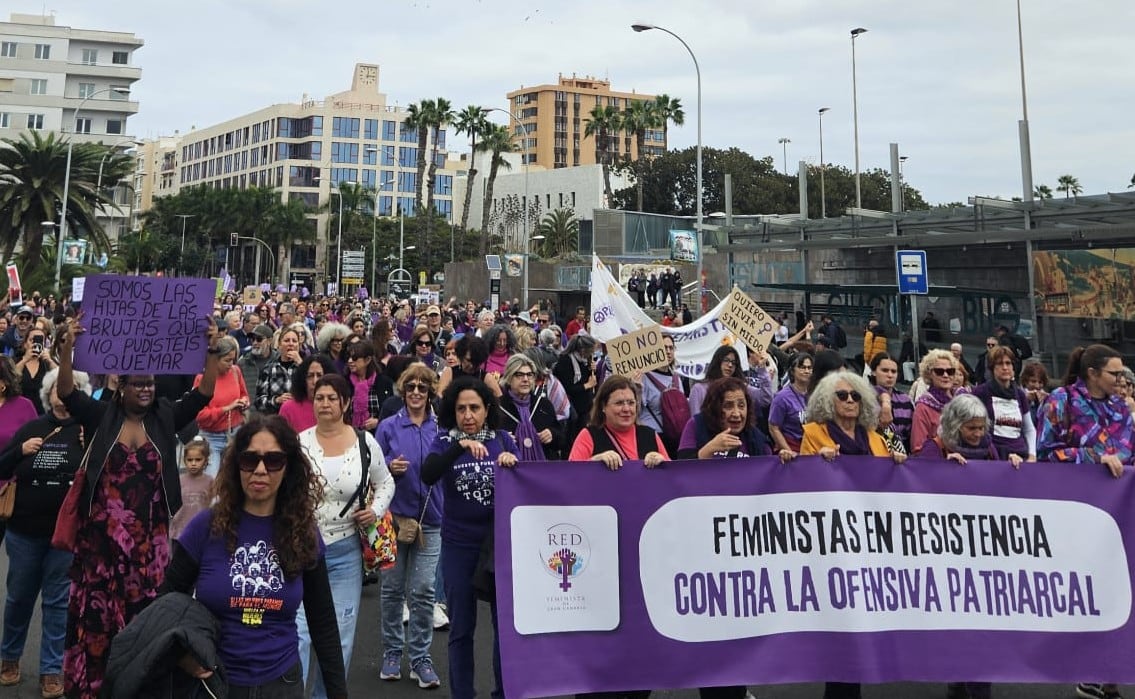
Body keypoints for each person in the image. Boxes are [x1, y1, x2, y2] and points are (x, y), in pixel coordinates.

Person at [55, 316, 219, 699]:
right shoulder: (102, 416)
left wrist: (210, 350)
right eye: (138, 383)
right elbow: (66, 392)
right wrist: (67, 350)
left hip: (148, 546)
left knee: (143, 624)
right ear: (121, 386)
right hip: (100, 545)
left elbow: (204, 395)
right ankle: (94, 688)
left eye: (150, 383)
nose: (146, 389)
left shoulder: (164, 416)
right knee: (97, 622)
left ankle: (138, 686)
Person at [160, 416, 347, 698]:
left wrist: (338, 694)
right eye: (250, 460)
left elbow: (323, 624)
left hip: (281, 683)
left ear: (288, 467)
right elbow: (166, 601)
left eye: (273, 460)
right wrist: (180, 654)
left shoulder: (303, 533)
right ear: (236, 465)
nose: (260, 470)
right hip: (215, 683)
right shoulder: (206, 526)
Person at [297, 373, 393, 698]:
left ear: (346, 402)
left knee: (340, 636)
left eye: (332, 398)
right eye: (320, 397)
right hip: (303, 551)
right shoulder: (299, 443)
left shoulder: (365, 442)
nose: (325, 403)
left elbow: (386, 482)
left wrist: (376, 511)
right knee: (299, 633)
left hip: (345, 553)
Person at [422, 377, 519, 699]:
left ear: (487, 410)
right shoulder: (444, 441)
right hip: (458, 545)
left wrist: (512, 464)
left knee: (504, 628)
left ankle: (503, 692)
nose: (468, 415)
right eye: (461, 408)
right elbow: (429, 473)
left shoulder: (504, 440)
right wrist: (458, 446)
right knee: (461, 628)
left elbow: (529, 482)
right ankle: (463, 693)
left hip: (499, 547)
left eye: (474, 408)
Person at [0, 367, 90, 699]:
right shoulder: (32, 427)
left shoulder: (88, 431)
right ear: (48, 394)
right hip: (24, 532)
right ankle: (9, 657)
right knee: (19, 598)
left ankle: (52, 670)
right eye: (58, 389)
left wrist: (90, 446)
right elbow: (2, 466)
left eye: (72, 390)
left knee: (57, 604)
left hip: (65, 536)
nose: (63, 395)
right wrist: (20, 451)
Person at [376, 364, 445, 688]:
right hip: (393, 519)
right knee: (391, 590)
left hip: (431, 520)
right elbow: (375, 473)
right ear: (403, 391)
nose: (416, 392)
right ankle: (392, 651)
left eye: (422, 387)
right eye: (410, 387)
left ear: (430, 391)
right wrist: (390, 467)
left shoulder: (442, 428)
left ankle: (420, 657)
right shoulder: (389, 427)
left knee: (423, 590)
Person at [677, 377, 788, 461]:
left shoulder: (758, 439)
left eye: (741, 406)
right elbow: (681, 469)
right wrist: (709, 450)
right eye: (728, 406)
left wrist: (783, 459)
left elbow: (769, 472)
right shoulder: (696, 425)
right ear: (714, 408)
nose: (736, 414)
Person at [568, 375, 668, 467]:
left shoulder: (650, 435)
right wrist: (594, 462)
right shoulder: (588, 435)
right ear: (603, 406)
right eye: (619, 403)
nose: (626, 409)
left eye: (631, 403)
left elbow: (672, 478)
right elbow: (571, 476)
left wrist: (663, 463)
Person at [963, 344, 1036, 462]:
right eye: (1000, 364)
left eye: (1008, 363)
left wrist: (1032, 455)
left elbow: (1029, 429)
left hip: (1020, 454)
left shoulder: (1020, 395)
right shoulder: (980, 393)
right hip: (992, 456)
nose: (1005, 367)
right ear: (992, 368)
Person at [192, 336, 250, 477]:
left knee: (234, 481)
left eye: (233, 360)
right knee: (210, 481)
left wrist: (244, 402)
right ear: (215, 359)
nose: (231, 364)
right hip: (211, 437)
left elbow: (244, 394)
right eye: (227, 360)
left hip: (235, 433)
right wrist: (227, 408)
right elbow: (199, 415)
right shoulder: (203, 378)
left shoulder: (236, 371)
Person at [918, 393, 1023, 468]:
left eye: (981, 428)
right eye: (971, 428)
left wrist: (1009, 465)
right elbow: (921, 480)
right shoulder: (935, 447)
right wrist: (944, 465)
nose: (978, 434)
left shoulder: (988, 447)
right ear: (955, 425)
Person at [497, 353, 563, 461]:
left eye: (529, 375)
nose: (525, 379)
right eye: (519, 375)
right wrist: (501, 440)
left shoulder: (543, 405)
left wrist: (552, 434)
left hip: (543, 471)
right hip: (511, 470)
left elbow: (561, 439)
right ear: (509, 378)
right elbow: (488, 442)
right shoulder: (498, 408)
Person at [688, 346, 766, 416]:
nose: (730, 365)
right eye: (726, 360)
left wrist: (762, 369)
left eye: (733, 363)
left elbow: (764, 398)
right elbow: (695, 422)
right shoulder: (699, 389)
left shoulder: (740, 387)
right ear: (718, 362)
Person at [910, 349, 959, 454]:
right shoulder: (923, 407)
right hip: (937, 465)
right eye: (939, 371)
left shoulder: (961, 401)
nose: (945, 375)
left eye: (950, 371)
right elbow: (918, 448)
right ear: (929, 374)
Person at [554, 333, 598, 441]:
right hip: (571, 407)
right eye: (590, 351)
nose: (591, 354)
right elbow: (567, 388)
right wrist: (587, 386)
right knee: (572, 437)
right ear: (583, 350)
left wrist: (592, 370)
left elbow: (587, 378)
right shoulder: (565, 361)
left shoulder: (584, 361)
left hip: (584, 406)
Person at [768, 353, 813, 455]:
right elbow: (773, 428)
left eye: (809, 368)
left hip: (810, 449)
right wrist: (789, 451)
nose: (806, 371)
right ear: (792, 371)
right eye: (802, 367)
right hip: (790, 449)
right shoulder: (782, 397)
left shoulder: (814, 395)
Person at [169, 437, 213, 540]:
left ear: (206, 461)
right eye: (189, 460)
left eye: (198, 460)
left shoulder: (210, 481)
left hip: (200, 531)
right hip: (179, 531)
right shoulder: (178, 481)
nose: (193, 463)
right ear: (184, 461)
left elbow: (213, 504)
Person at [279, 355, 336, 434]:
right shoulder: (288, 408)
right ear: (302, 379)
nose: (315, 381)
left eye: (319, 375)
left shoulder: (336, 406)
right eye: (310, 376)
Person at [870, 353, 914, 453]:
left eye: (893, 371)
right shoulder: (864, 397)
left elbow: (910, 436)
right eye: (884, 370)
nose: (890, 375)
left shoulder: (906, 400)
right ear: (873, 372)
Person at [255, 326, 303, 414]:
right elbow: (259, 402)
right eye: (287, 340)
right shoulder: (269, 369)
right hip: (277, 419)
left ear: (299, 345)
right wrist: (276, 400)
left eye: (294, 341)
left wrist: (301, 364)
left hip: (300, 417)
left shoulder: (306, 367)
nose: (291, 344)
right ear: (280, 345)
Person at [345, 341, 385, 432]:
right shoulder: (345, 382)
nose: (350, 361)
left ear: (367, 360)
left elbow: (390, 413)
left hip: (377, 434)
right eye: (349, 357)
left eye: (354, 358)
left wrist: (378, 421)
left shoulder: (382, 382)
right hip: (351, 435)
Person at [15, 325, 55, 416]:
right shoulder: (16, 361)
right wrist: (25, 360)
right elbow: (10, 377)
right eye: (32, 340)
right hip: (19, 413)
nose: (35, 344)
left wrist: (50, 360)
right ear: (25, 344)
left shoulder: (46, 363)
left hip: (42, 414)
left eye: (40, 341)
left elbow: (61, 378)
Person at [238, 324, 277, 404]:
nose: (255, 343)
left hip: (272, 413)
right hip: (250, 413)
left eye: (259, 339)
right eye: (253, 339)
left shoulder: (278, 360)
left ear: (269, 341)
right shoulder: (243, 362)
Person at [1020, 361, 1050, 427]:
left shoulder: (1046, 397)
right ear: (1025, 381)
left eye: (1040, 382)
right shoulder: (1018, 395)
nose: (1037, 386)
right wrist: (1025, 400)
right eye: (1033, 381)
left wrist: (1047, 402)